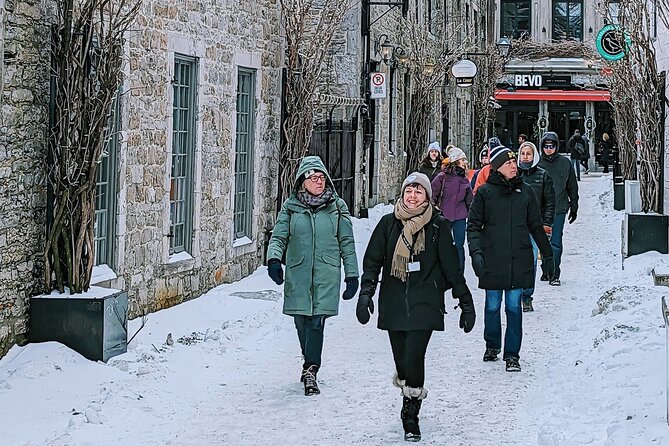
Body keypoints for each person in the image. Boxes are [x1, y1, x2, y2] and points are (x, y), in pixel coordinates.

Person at [357, 172, 475, 442]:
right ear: (402, 194)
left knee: (414, 354)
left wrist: (465, 302)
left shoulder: (437, 227)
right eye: (409, 191)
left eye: (418, 192)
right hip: (394, 301)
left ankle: (411, 412)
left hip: (425, 302)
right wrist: (366, 293)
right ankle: (407, 389)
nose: (413, 196)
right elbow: (373, 261)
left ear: (427, 196)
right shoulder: (388, 224)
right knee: (401, 359)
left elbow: (451, 268)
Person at [266, 156, 359, 396]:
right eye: (314, 178)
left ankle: (311, 370)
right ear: (302, 181)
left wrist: (352, 275)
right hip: (299, 272)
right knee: (301, 321)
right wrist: (274, 260)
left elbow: (346, 242)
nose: (319, 182)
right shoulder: (291, 207)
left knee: (317, 321)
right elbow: (278, 237)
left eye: (322, 178)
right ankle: (308, 360)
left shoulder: (337, 207)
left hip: (327, 272)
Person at [467, 146, 554, 372]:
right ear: (497, 167)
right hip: (492, 259)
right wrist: (476, 254)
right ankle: (492, 344)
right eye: (508, 164)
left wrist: (548, 255)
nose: (514, 167)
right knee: (493, 305)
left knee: (514, 307)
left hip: (518, 259)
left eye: (514, 163)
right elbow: (473, 227)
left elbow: (535, 226)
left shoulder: (525, 192)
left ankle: (512, 354)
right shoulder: (485, 193)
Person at [517, 142, 556, 312]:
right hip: (514, 226)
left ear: (534, 156)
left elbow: (549, 202)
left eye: (529, 153)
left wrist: (546, 224)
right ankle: (514, 293)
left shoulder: (543, 176)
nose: (525, 156)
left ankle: (527, 295)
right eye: (523, 153)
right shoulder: (513, 174)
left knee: (530, 260)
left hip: (534, 226)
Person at [537, 132, 579, 287]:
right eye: (546, 146)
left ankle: (554, 273)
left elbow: (572, 186)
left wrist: (574, 206)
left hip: (559, 207)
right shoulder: (538, 163)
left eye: (552, 146)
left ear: (557, 146)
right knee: (543, 242)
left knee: (556, 241)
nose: (549, 149)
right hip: (540, 210)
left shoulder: (565, 163)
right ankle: (545, 269)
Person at [431, 147, 473, 271]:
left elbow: (469, 200)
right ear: (456, 161)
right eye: (462, 160)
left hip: (460, 217)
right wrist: (433, 209)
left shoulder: (465, 179)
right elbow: (433, 194)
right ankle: (444, 270)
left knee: (459, 246)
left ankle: (459, 272)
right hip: (444, 215)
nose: (465, 162)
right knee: (444, 245)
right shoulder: (442, 177)